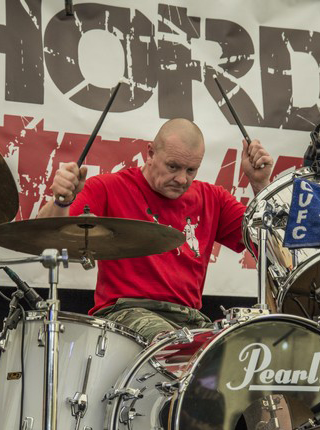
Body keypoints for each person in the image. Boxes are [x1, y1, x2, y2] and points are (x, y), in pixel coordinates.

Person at [38, 118, 273, 342]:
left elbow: (270, 246)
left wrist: (260, 184)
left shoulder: (213, 198)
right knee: (173, 346)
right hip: (125, 313)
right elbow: (45, 235)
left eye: (191, 170)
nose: (182, 179)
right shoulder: (107, 187)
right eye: (173, 166)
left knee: (229, 352)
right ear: (150, 153)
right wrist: (61, 201)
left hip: (190, 319)